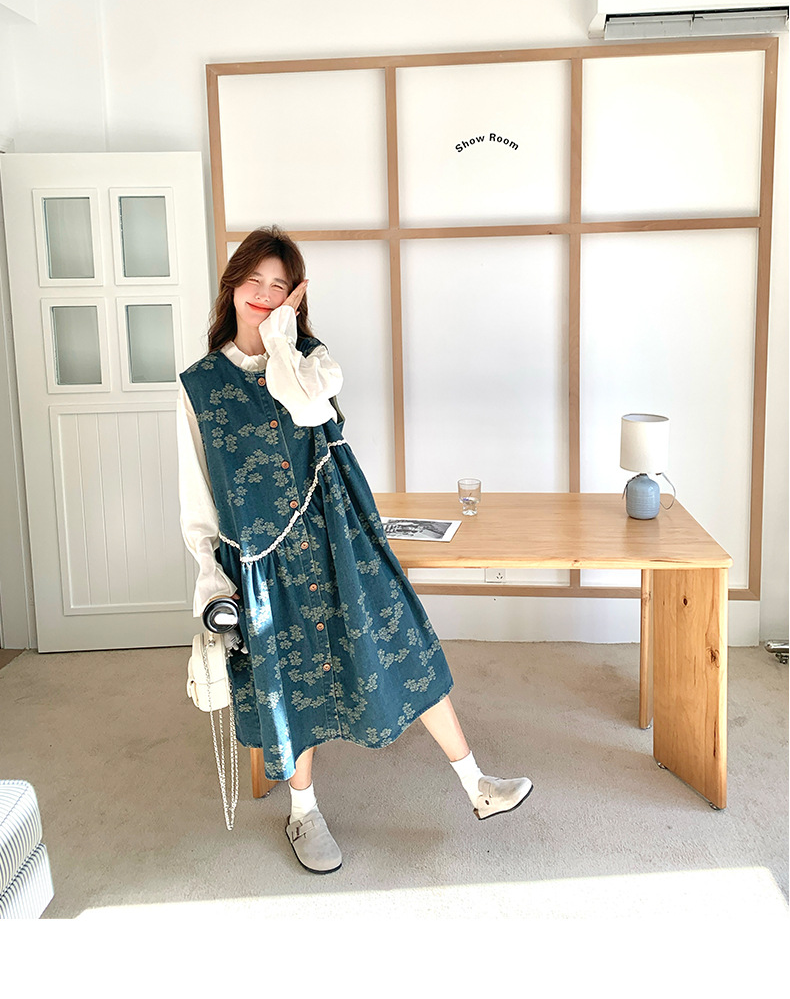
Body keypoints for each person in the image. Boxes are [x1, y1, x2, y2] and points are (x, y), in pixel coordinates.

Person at [177, 225, 533, 874]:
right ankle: (303, 813)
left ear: (294, 297)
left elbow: (307, 409)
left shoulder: (311, 361)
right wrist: (210, 580)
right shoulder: (196, 385)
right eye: (253, 281)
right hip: (262, 559)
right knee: (293, 684)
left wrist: (281, 337)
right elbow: (196, 493)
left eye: (278, 286)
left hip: (338, 536)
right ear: (231, 286)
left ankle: (476, 783)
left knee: (402, 642)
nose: (262, 294)